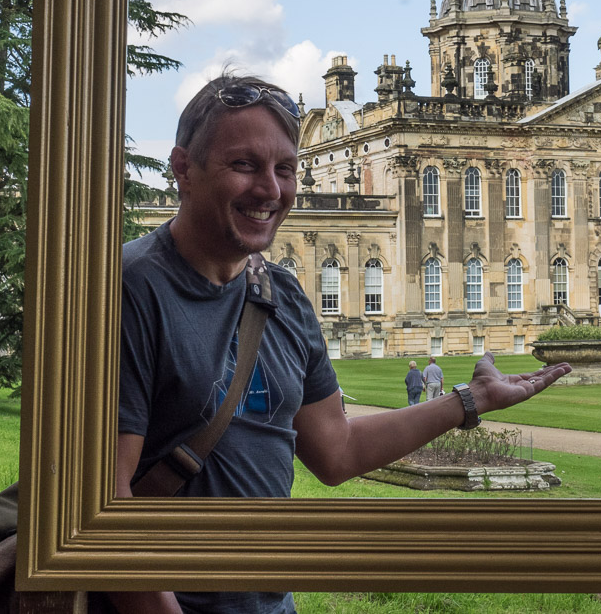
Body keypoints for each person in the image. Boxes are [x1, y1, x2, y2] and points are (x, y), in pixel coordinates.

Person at [112, 73, 571, 614]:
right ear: (183, 169)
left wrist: (469, 402)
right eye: (244, 165)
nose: (270, 189)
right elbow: (106, 506)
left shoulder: (279, 294)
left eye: (285, 169)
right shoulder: (130, 287)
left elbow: (336, 452)